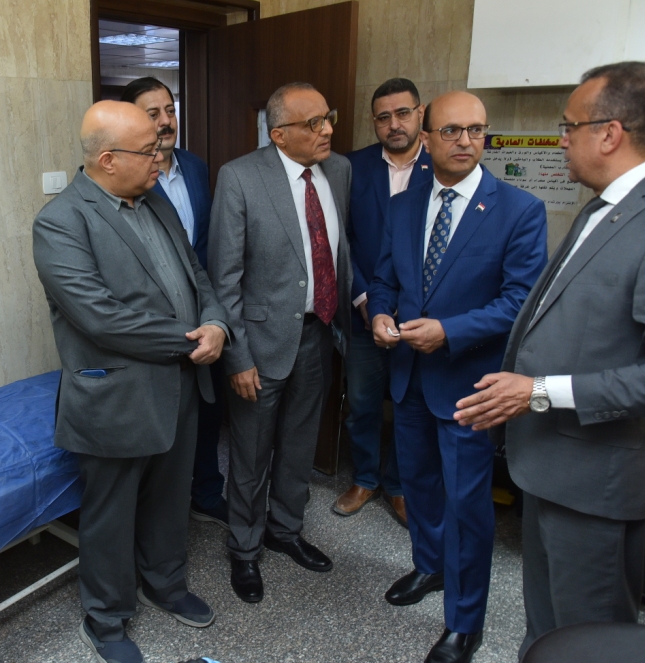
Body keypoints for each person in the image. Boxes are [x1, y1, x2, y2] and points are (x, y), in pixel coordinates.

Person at [453, 61, 645, 659]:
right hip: (553, 462)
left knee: (588, 642)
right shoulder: (609, 203)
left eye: (569, 127)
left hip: (598, 479)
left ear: (610, 133)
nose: (561, 140)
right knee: (549, 632)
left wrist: (539, 391)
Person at [32, 101, 230, 663]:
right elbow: (100, 317)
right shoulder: (60, 222)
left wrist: (217, 323)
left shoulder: (156, 199)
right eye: (150, 151)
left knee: (170, 497)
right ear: (108, 159)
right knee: (111, 514)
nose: (161, 159)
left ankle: (165, 583)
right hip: (117, 393)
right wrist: (192, 340)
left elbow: (196, 275)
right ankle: (106, 616)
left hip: (181, 384)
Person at [368, 91, 547, 663]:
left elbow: (520, 302)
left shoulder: (519, 209)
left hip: (470, 384)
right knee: (418, 484)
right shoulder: (404, 204)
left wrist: (449, 331)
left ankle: (464, 622)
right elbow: (385, 279)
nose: (466, 141)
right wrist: (378, 313)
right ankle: (431, 566)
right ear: (426, 138)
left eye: (476, 130)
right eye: (452, 131)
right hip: (409, 376)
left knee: (467, 504)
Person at [209, 82, 352, 604]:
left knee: (299, 444)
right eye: (314, 123)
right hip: (259, 343)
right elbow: (224, 277)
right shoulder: (241, 178)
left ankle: (285, 530)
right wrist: (237, 357)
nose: (327, 129)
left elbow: (338, 249)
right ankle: (244, 548)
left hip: (318, 334)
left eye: (327, 117)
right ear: (278, 134)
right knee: (250, 454)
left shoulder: (339, 171)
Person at [121, 77, 228, 529]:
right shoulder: (126, 178)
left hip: (206, 315)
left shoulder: (197, 167)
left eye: (170, 110)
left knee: (208, 410)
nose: (166, 121)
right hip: (155, 324)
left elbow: (203, 247)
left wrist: (215, 315)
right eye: (153, 113)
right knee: (164, 417)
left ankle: (206, 492)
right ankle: (159, 510)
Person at [338, 77, 433, 524]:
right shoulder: (351, 167)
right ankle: (365, 477)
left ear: (420, 113)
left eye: (403, 113)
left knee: (410, 406)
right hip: (363, 313)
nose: (394, 124)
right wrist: (363, 297)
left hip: (420, 317)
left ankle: (398, 485)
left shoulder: (442, 165)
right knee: (362, 402)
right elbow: (341, 239)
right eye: (383, 117)